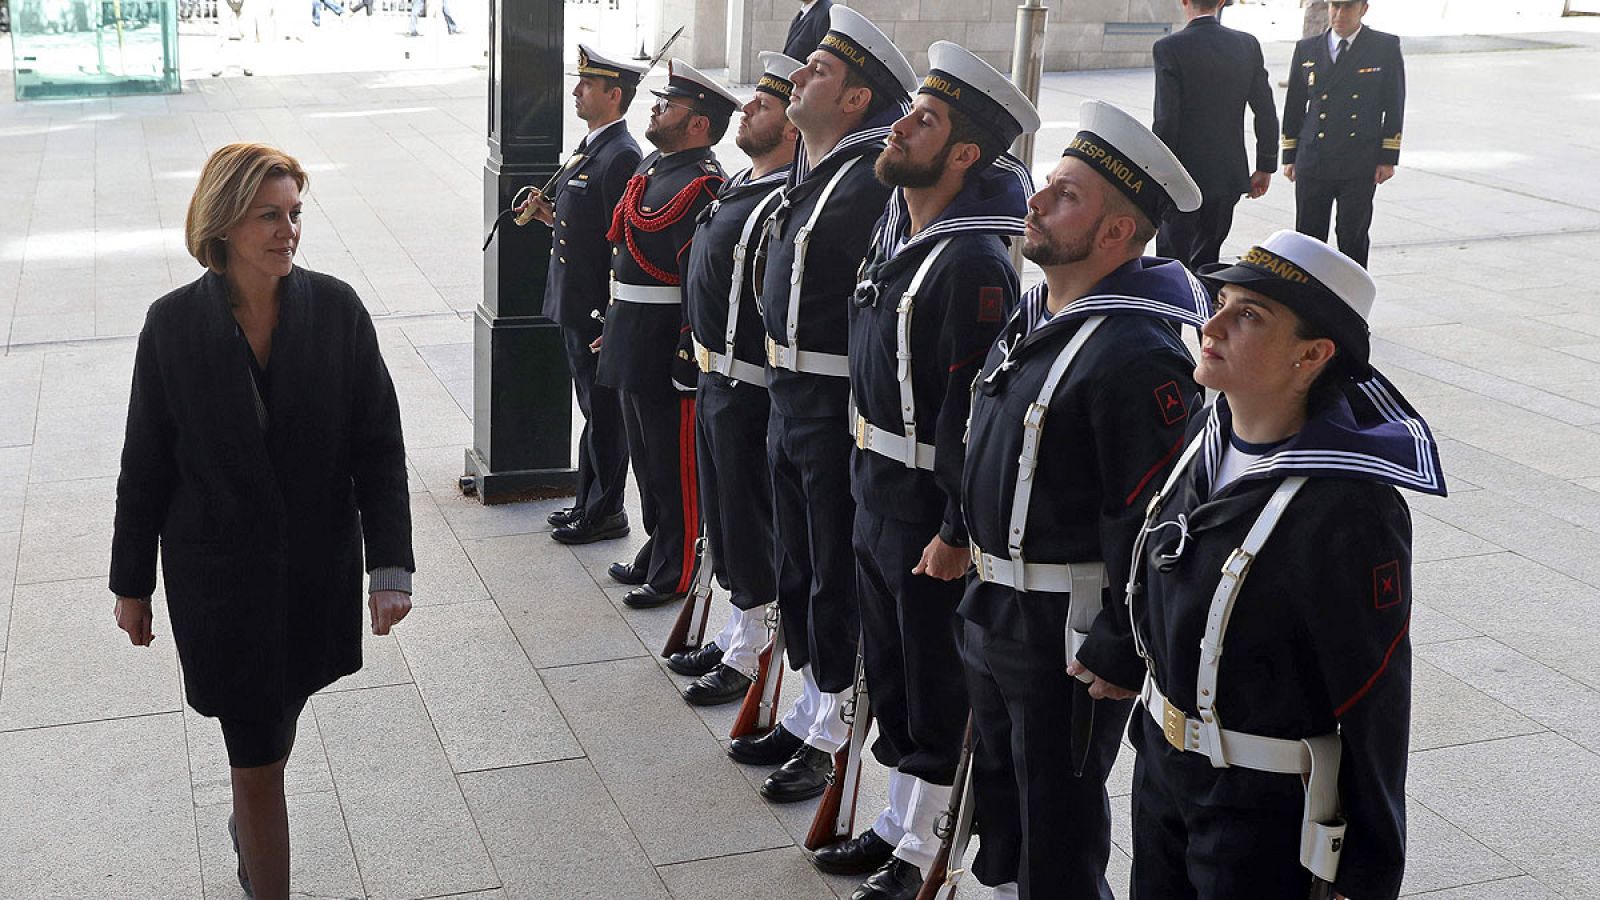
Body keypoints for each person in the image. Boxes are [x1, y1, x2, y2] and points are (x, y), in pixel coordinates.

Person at [110, 143, 415, 900]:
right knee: (255, 757)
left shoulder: (338, 310)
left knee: (274, 736)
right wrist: (131, 585)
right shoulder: (171, 326)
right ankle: (263, 860)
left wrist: (390, 569)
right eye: (268, 216)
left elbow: (379, 446)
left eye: (295, 214)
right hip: (219, 585)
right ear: (223, 223)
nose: (289, 231)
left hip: (315, 572)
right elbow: (145, 462)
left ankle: (249, 825)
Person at [1124, 229, 1445, 899]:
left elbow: (1374, 694)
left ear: (1313, 354)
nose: (1211, 326)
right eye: (1221, 303)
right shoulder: (1210, 430)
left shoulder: (1350, 507)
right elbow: (1168, 564)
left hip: (1260, 810)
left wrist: (1369, 866)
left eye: (1248, 315)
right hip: (1162, 774)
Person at [958, 100, 1208, 900]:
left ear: (1115, 232)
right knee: (1005, 808)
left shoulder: (1137, 352)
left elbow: (1153, 522)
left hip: (1061, 632)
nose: (1033, 200)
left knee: (1056, 830)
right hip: (996, 604)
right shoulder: (1043, 312)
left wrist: (1123, 643)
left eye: (1064, 195)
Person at [836, 41, 1038, 900]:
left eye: (924, 121)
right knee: (890, 667)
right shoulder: (902, 230)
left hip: (924, 507)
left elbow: (970, 417)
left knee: (931, 679)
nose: (901, 126)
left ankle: (923, 846)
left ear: (963, 155)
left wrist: (956, 529)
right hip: (874, 485)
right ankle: (896, 820)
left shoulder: (974, 264)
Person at [724, 5, 915, 807]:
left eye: (820, 71)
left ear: (857, 99)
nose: (798, 75)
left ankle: (834, 730)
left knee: (834, 571)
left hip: (834, 406)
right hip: (788, 397)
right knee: (799, 565)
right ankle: (808, 707)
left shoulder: (869, 181)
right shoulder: (818, 169)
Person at [669, 52, 801, 704]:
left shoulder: (783, 198)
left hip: (750, 385)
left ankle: (752, 648)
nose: (746, 108)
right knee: (723, 519)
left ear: (792, 128)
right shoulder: (745, 182)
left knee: (748, 523)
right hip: (714, 376)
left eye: (763, 105)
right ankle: (736, 628)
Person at [595, 60, 736, 610]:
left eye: (667, 105)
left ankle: (679, 566)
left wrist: (686, 349)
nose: (654, 109)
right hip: (633, 332)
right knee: (647, 459)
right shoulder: (656, 164)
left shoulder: (704, 183)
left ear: (698, 123)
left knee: (676, 466)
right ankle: (659, 544)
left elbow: (699, 279)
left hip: (665, 342)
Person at [517, 46, 645, 548]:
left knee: (605, 414)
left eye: (587, 85)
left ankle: (607, 511)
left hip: (595, 307)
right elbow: (588, 228)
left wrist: (615, 317)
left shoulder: (622, 154)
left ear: (614, 95)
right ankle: (586, 501)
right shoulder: (593, 147)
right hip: (575, 301)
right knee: (592, 408)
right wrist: (550, 216)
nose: (576, 91)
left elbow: (623, 244)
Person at [1152, 0, 1278, 270]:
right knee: (1208, 258)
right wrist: (1265, 165)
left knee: (1171, 262)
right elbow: (1266, 110)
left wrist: (1156, 173)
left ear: (1184, 1)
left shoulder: (1169, 47)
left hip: (1182, 176)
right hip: (1227, 175)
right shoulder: (1247, 45)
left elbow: (1166, 120)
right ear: (1221, 2)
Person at [1282, 0, 1405, 268]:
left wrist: (1388, 157)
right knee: (1308, 236)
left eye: (1347, 7)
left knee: (1352, 235)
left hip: (1359, 158)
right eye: (1334, 6)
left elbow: (1394, 104)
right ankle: (1308, 291)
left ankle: (1352, 291)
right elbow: (1294, 106)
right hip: (1314, 156)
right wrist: (1290, 155)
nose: (1339, 14)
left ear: (1363, 9)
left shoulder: (1383, 46)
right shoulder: (1307, 48)